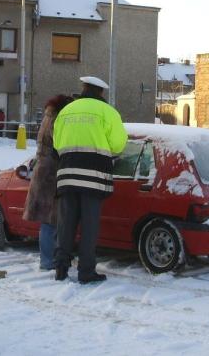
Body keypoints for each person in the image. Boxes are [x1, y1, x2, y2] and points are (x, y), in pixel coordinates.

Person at [53, 76, 127, 284]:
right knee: (89, 226)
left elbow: (57, 143)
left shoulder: (66, 111)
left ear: (84, 89)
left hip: (67, 174)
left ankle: (60, 268)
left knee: (65, 224)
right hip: (94, 177)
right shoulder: (108, 112)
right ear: (101, 92)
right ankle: (86, 272)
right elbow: (118, 144)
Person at [23, 94, 74, 271]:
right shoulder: (57, 120)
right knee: (51, 219)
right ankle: (47, 261)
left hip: (43, 170)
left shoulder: (48, 116)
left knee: (48, 218)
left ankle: (48, 259)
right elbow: (60, 145)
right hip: (52, 171)